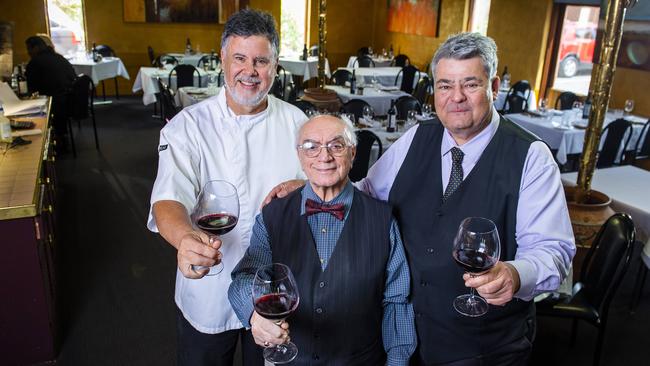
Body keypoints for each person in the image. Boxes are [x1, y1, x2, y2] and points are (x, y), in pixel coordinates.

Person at [266, 33, 576, 365]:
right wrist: (311, 185)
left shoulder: (530, 156)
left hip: (483, 347)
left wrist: (515, 275)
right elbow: (364, 194)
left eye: (470, 84)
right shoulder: (417, 137)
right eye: (445, 85)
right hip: (405, 339)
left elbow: (553, 251)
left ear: (495, 87)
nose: (456, 97)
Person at [147, 9, 308, 366]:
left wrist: (306, 187)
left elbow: (329, 191)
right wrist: (186, 241)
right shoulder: (188, 126)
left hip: (274, 288)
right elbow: (168, 199)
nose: (250, 71)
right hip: (208, 286)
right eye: (240, 58)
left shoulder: (297, 121)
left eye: (261, 61)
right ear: (223, 59)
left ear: (276, 64)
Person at [229, 115, 417, 365]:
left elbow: (397, 302)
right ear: (299, 156)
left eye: (336, 146)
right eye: (311, 147)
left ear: (352, 154)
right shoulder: (272, 216)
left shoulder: (383, 220)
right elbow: (244, 278)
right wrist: (255, 315)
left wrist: (397, 362)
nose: (324, 156)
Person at [24, 35, 76, 142]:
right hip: (71, 100)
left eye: (29, 49)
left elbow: (30, 89)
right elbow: (73, 76)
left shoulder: (35, 62)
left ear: (36, 48)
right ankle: (60, 136)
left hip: (55, 104)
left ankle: (42, 140)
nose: (28, 52)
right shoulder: (59, 57)